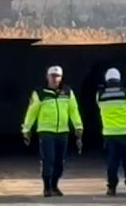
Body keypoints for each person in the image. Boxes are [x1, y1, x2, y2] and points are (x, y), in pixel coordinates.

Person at [21, 65, 83, 197]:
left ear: (61, 78)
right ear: (47, 77)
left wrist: (78, 126)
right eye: (53, 76)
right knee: (48, 159)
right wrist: (26, 128)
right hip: (46, 131)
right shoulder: (39, 93)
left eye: (58, 76)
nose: (55, 79)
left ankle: (55, 185)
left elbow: (73, 110)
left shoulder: (67, 92)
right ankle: (47, 187)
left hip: (63, 131)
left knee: (59, 161)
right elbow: (32, 112)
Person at [97, 68, 126, 196]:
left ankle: (111, 188)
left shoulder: (100, 94)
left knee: (112, 163)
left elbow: (98, 105)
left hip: (109, 134)